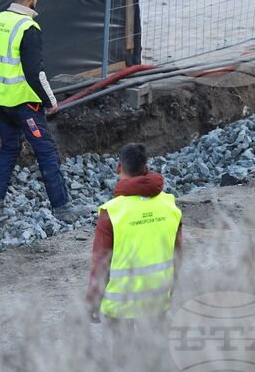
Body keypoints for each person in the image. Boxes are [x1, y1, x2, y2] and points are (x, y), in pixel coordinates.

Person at [0, 0, 87, 222]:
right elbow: (35, 73)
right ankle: (63, 208)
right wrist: (50, 102)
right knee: (45, 151)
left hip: (0, 102)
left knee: (9, 148)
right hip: (25, 105)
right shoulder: (28, 28)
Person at [86, 143, 182, 359]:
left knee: (124, 359)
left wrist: (92, 300)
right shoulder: (169, 205)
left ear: (119, 167)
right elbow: (178, 255)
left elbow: (100, 264)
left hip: (120, 305)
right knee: (157, 355)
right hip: (157, 298)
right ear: (146, 168)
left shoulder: (112, 212)